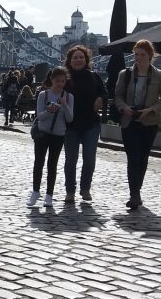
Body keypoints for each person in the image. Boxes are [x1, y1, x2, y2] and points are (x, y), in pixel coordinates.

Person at [114, 39, 161, 209]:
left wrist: (150, 109)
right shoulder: (125, 74)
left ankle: (137, 190)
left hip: (149, 121)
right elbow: (117, 96)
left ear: (150, 56)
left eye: (142, 55)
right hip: (130, 120)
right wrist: (125, 108)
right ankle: (134, 194)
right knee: (133, 158)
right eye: (136, 55)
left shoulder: (158, 75)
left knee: (143, 158)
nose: (138, 58)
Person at [63, 44, 107, 203]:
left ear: (86, 59)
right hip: (71, 125)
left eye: (81, 57)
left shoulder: (94, 77)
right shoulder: (65, 78)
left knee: (89, 159)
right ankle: (70, 191)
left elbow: (104, 92)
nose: (78, 60)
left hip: (91, 123)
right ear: (70, 61)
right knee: (70, 160)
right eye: (75, 57)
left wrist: (101, 98)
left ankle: (85, 188)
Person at [27, 67, 74, 207]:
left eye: (63, 81)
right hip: (43, 133)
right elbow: (39, 116)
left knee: (52, 165)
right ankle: (35, 192)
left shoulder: (69, 97)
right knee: (38, 163)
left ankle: (49, 195)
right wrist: (49, 110)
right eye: (57, 81)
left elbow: (70, 119)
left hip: (58, 135)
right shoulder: (43, 95)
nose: (60, 84)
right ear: (52, 80)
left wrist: (65, 105)